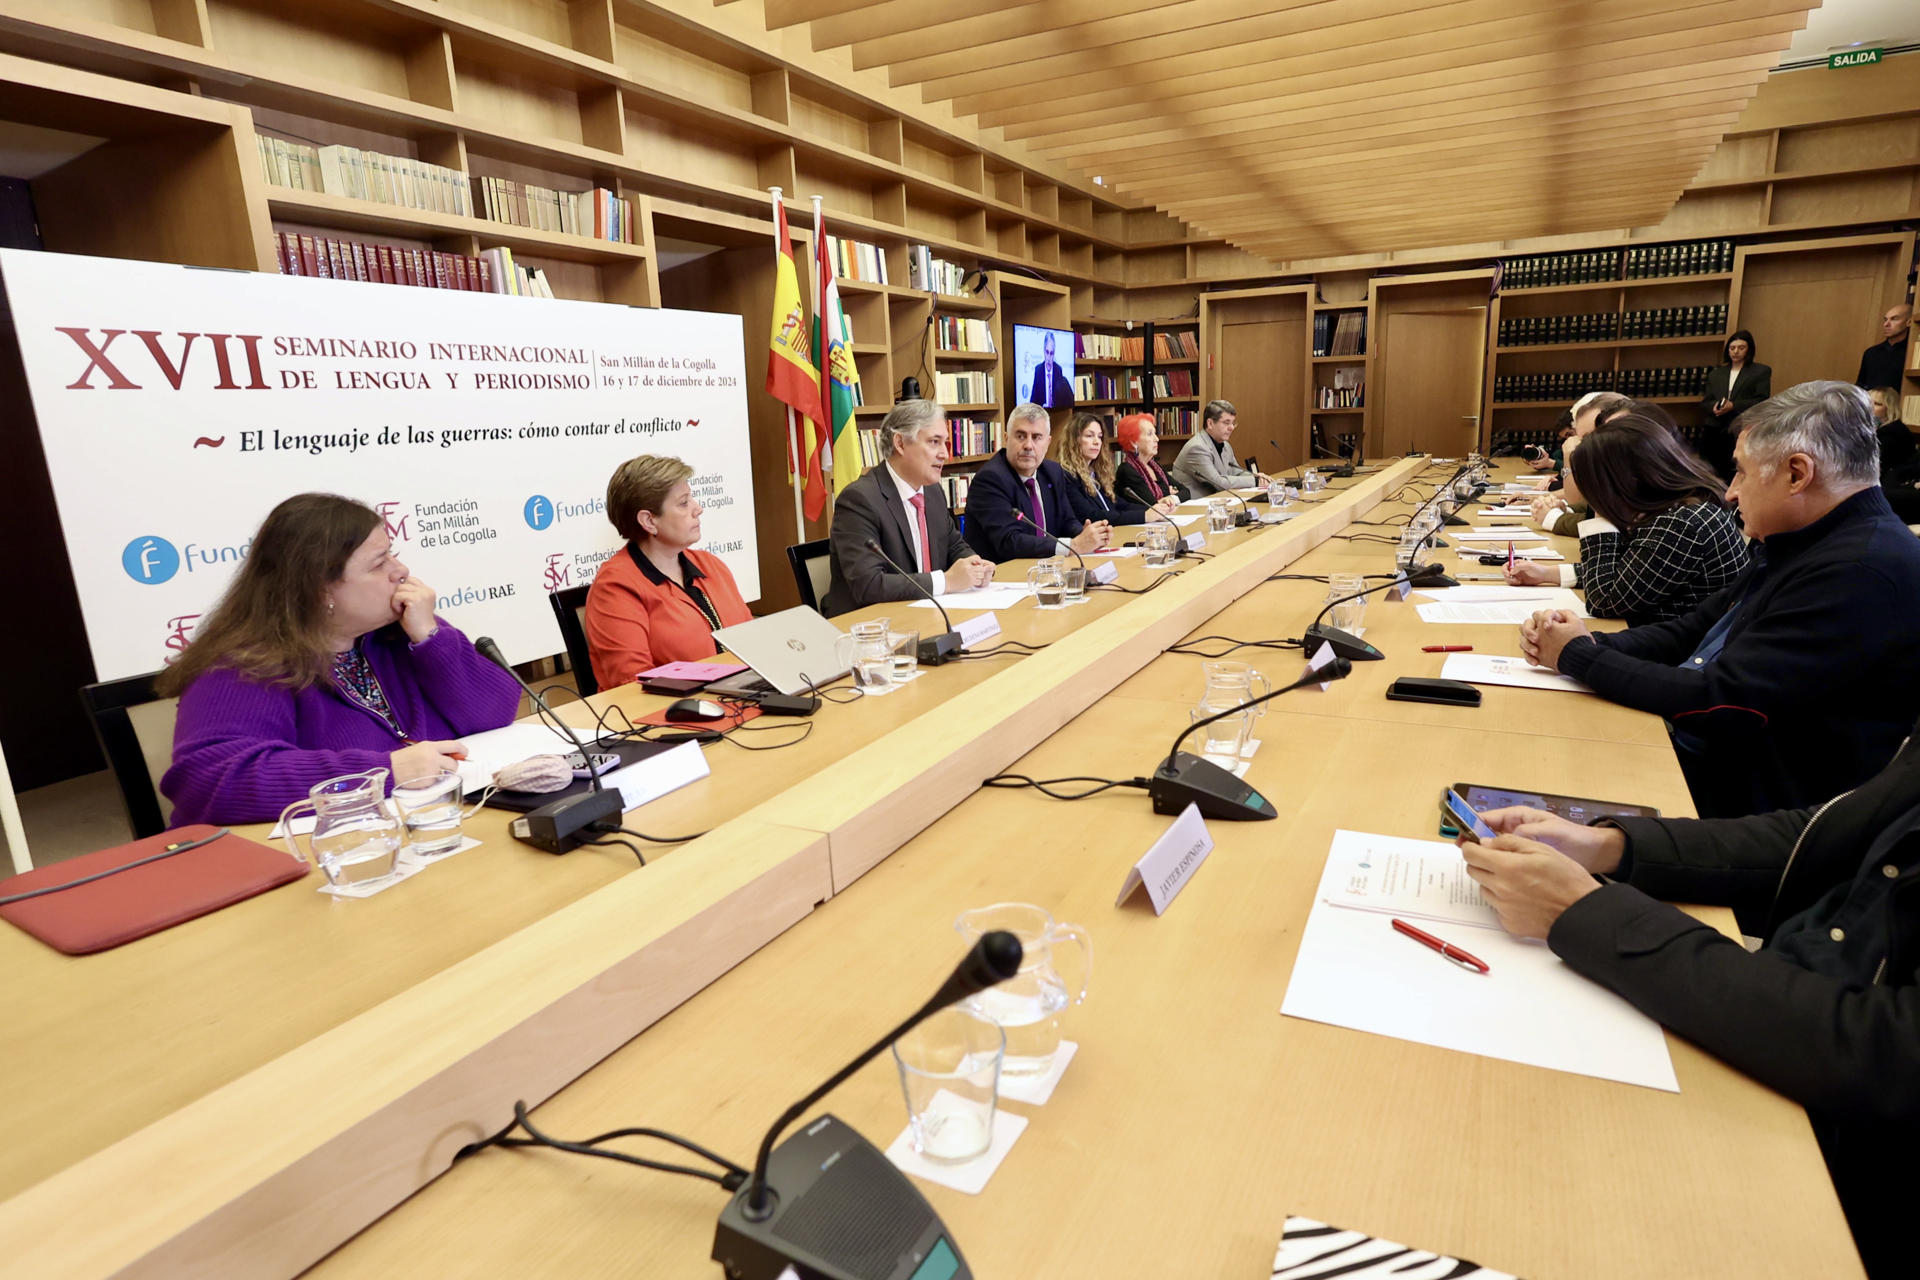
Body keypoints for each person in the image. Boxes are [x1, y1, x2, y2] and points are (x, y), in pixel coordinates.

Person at [1456, 733, 1920, 1279]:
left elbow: (1890, 1051)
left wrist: (1583, 912)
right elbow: (1825, 836)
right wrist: (1609, 847)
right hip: (1768, 1017)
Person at [1518, 381, 1920, 819]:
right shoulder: (1809, 542)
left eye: (1742, 472)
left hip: (1743, 806)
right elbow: (1691, 629)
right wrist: (1588, 644)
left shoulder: (1860, 571)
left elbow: (1724, 700)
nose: (1730, 491)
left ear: (1797, 474)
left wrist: (1578, 656)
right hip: (1715, 765)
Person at [158, 494, 522, 826]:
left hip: (427, 826)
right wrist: (385, 772)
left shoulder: (397, 629)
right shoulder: (243, 664)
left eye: (392, 554)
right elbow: (211, 780)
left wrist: (431, 637)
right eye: (379, 563)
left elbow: (495, 713)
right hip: (326, 861)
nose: (401, 571)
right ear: (320, 589)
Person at [1504, 411, 1747, 625]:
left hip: (1678, 656)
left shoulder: (1682, 522)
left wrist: (1601, 516)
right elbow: (1631, 572)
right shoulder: (1673, 507)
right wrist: (1546, 574)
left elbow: (1605, 601)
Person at [584, 454, 752, 689]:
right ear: (649, 521)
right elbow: (632, 684)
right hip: (675, 714)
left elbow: (752, 642)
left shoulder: (710, 565)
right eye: (684, 503)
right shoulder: (614, 587)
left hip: (741, 697)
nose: (698, 509)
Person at [820, 399, 994, 615]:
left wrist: (974, 565)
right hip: (870, 626)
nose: (944, 454)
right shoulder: (859, 500)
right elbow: (869, 585)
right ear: (900, 444)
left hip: (925, 613)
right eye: (934, 442)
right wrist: (946, 581)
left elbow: (953, 544)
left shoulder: (932, 492)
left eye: (945, 443)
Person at [964, 403, 1110, 562]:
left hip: (1046, 570)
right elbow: (1009, 542)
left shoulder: (1053, 472)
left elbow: (1066, 521)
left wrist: (1085, 534)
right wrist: (1073, 545)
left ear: (1048, 442)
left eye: (1036, 437)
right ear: (1006, 439)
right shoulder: (990, 479)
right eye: (1020, 436)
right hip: (1002, 576)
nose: (1028, 445)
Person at [1050, 411, 1178, 527]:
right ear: (1074, 440)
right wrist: (1145, 516)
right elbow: (1091, 516)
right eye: (1089, 436)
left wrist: (1154, 509)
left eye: (1100, 437)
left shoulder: (1094, 474)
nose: (1096, 442)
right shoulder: (1066, 476)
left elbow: (1118, 505)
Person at [1528, 391, 1632, 534]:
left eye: (1588, 438)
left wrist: (1553, 519)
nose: (1579, 446)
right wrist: (1565, 509)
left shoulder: (1632, 472)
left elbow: (1608, 525)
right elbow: (1585, 505)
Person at [1697, 329, 1770, 479]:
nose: (1736, 352)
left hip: (1741, 427)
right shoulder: (1716, 374)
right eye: (1732, 348)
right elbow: (1705, 402)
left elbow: (1761, 399)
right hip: (1715, 428)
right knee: (1710, 470)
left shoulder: (1760, 371)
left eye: (1741, 348)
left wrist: (1733, 405)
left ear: (1749, 350)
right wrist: (1714, 407)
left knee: (1733, 472)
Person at [1170, 399, 1269, 497]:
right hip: (1192, 507)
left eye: (1233, 423)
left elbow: (1236, 472)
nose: (1231, 427)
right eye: (1226, 422)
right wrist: (1255, 481)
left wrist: (1258, 478)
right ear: (1210, 423)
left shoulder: (1225, 445)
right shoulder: (1197, 448)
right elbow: (1218, 483)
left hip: (1216, 502)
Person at [1112, 413, 1188, 507]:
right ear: (1133, 441)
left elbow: (1186, 492)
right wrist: (1168, 495)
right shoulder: (1127, 470)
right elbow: (1151, 505)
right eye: (1149, 434)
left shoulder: (1155, 466)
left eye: (1155, 433)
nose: (1157, 439)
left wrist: (1171, 498)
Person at [1855, 301, 1911, 391]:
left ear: (1909, 322)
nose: (1886, 324)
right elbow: (1860, 386)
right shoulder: (1871, 353)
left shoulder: (1912, 353)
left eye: (1894, 319)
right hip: (1870, 403)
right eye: (1885, 320)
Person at [1867, 385, 1913, 476]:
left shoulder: (1891, 434)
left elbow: (1872, 468)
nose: (1870, 407)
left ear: (1890, 408)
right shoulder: (1881, 427)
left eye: (1877, 404)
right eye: (1868, 402)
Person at [1027, 331, 1073, 409]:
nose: (1049, 357)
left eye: (1051, 353)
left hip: (1057, 414)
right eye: (1047, 352)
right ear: (1043, 351)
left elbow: (1062, 401)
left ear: (1054, 353)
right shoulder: (1038, 370)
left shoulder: (1058, 369)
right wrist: (1041, 408)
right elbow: (1033, 402)